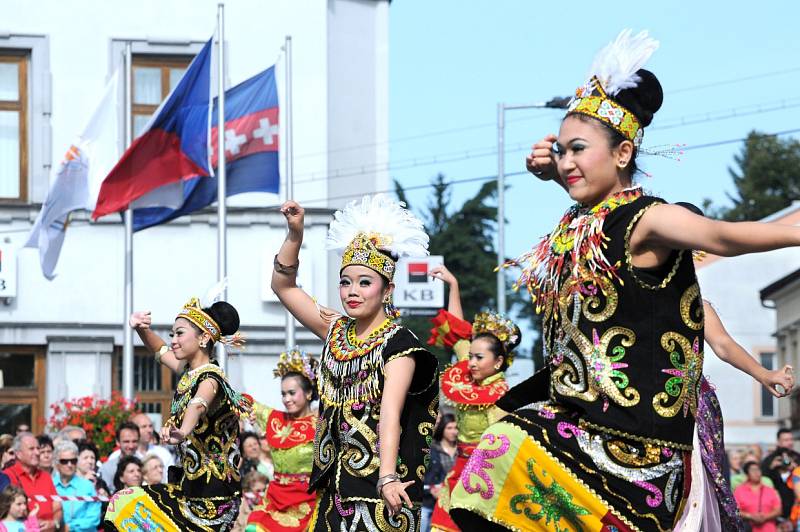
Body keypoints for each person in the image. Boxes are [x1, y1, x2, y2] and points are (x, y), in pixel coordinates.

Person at [448, 29, 800, 531]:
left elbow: (721, 235)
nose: (566, 161)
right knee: (489, 473)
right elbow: (589, 194)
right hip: (581, 421)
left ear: (622, 153)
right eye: (561, 150)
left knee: (505, 445)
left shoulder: (648, 221)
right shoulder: (587, 219)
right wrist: (556, 171)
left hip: (636, 444)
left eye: (578, 150)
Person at [272, 195, 439, 530]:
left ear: (387, 289)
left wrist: (388, 478)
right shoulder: (336, 330)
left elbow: (390, 416)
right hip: (333, 492)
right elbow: (283, 285)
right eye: (346, 282)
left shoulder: (399, 344)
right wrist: (295, 236)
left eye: (365, 283)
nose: (353, 291)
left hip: (381, 496)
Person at [103, 297, 252, 531]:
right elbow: (160, 350)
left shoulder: (211, 378)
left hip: (212, 496)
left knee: (127, 505)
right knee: (124, 503)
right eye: (172, 334)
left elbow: (198, 404)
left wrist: (183, 431)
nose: (174, 340)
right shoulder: (189, 372)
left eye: (179, 334)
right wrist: (142, 329)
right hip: (189, 488)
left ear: (203, 338)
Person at [425, 265, 520, 532]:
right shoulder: (469, 373)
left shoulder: (503, 397)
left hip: (489, 475)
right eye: (472, 356)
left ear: (498, 361)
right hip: (458, 470)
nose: (472, 362)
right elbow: (457, 331)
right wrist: (453, 284)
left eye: (479, 358)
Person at [245, 348, 319, 532]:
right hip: (275, 499)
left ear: (309, 393)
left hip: (308, 501)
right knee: (253, 527)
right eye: (283, 394)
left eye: (292, 393)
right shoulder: (274, 419)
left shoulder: (322, 424)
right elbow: (243, 400)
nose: (286, 399)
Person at [2, 433, 61, 532]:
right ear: (18, 453)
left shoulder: (46, 476)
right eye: (31, 449)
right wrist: (31, 524)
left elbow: (57, 506)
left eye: (38, 448)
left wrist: (54, 522)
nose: (38, 452)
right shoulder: (7, 476)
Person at [51, 440, 100, 532]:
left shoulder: (88, 486)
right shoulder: (50, 485)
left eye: (73, 461)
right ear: (56, 463)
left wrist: (70, 527)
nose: (69, 465)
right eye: (64, 461)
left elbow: (94, 518)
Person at [422, 413, 457, 532]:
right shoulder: (431, 449)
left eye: (455, 428)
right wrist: (431, 490)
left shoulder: (461, 451)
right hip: (428, 502)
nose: (453, 432)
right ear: (443, 429)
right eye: (449, 428)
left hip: (450, 505)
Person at [735, 461, 782, 532]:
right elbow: (735, 511)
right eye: (753, 470)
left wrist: (765, 517)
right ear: (747, 474)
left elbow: (778, 510)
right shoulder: (739, 491)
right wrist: (750, 516)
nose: (756, 472)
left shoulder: (770, 490)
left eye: (758, 469)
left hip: (769, 529)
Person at [98, 422, 140, 492]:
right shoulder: (107, 468)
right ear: (117, 442)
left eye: (134, 441)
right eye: (126, 442)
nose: (131, 446)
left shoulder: (146, 464)